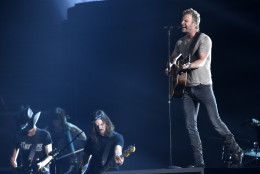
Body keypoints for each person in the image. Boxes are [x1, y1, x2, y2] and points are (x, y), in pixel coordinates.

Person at [165, 8, 243, 167]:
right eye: (182, 20)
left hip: (203, 87)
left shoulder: (204, 39)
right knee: (190, 126)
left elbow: (201, 60)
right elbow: (172, 58)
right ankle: (199, 162)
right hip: (186, 89)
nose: (182, 23)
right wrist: (170, 67)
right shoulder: (180, 42)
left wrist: (187, 66)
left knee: (215, 122)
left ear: (194, 24)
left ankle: (236, 149)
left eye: (185, 21)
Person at [79, 110, 124, 174]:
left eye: (101, 124)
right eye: (96, 126)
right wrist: (80, 170)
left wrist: (119, 156)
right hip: (93, 171)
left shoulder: (116, 137)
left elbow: (118, 150)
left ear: (107, 122)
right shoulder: (91, 140)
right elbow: (85, 159)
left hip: (110, 171)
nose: (99, 127)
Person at [10, 107, 53, 174]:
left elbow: (50, 155)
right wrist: (16, 168)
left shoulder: (44, 134)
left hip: (42, 171)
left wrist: (41, 164)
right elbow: (13, 158)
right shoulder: (18, 136)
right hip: (26, 171)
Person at [46, 107, 87, 174]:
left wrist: (70, 127)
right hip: (56, 156)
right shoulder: (49, 129)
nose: (55, 121)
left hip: (69, 156)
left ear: (61, 119)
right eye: (54, 119)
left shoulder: (67, 127)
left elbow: (83, 137)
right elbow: (42, 140)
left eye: (58, 119)